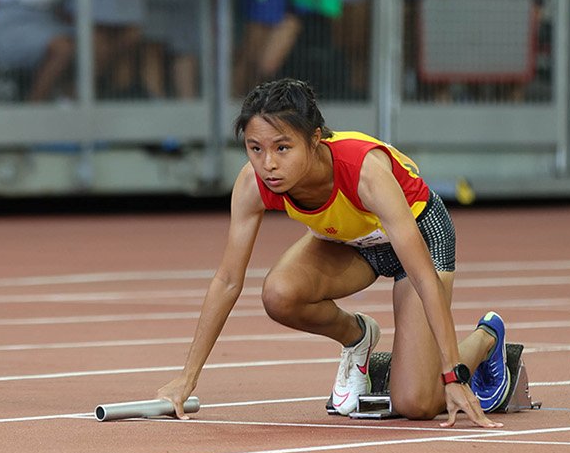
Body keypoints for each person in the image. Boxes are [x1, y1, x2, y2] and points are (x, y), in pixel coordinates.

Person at [150, 78, 507, 426]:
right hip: (350, 241)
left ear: (315, 139)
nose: (268, 164)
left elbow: (423, 277)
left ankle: (486, 339)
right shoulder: (252, 183)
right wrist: (187, 378)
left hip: (420, 238)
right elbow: (227, 279)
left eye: (282, 148)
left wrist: (453, 376)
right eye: (255, 148)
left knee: (417, 403)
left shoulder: (364, 171)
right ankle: (358, 337)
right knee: (279, 294)